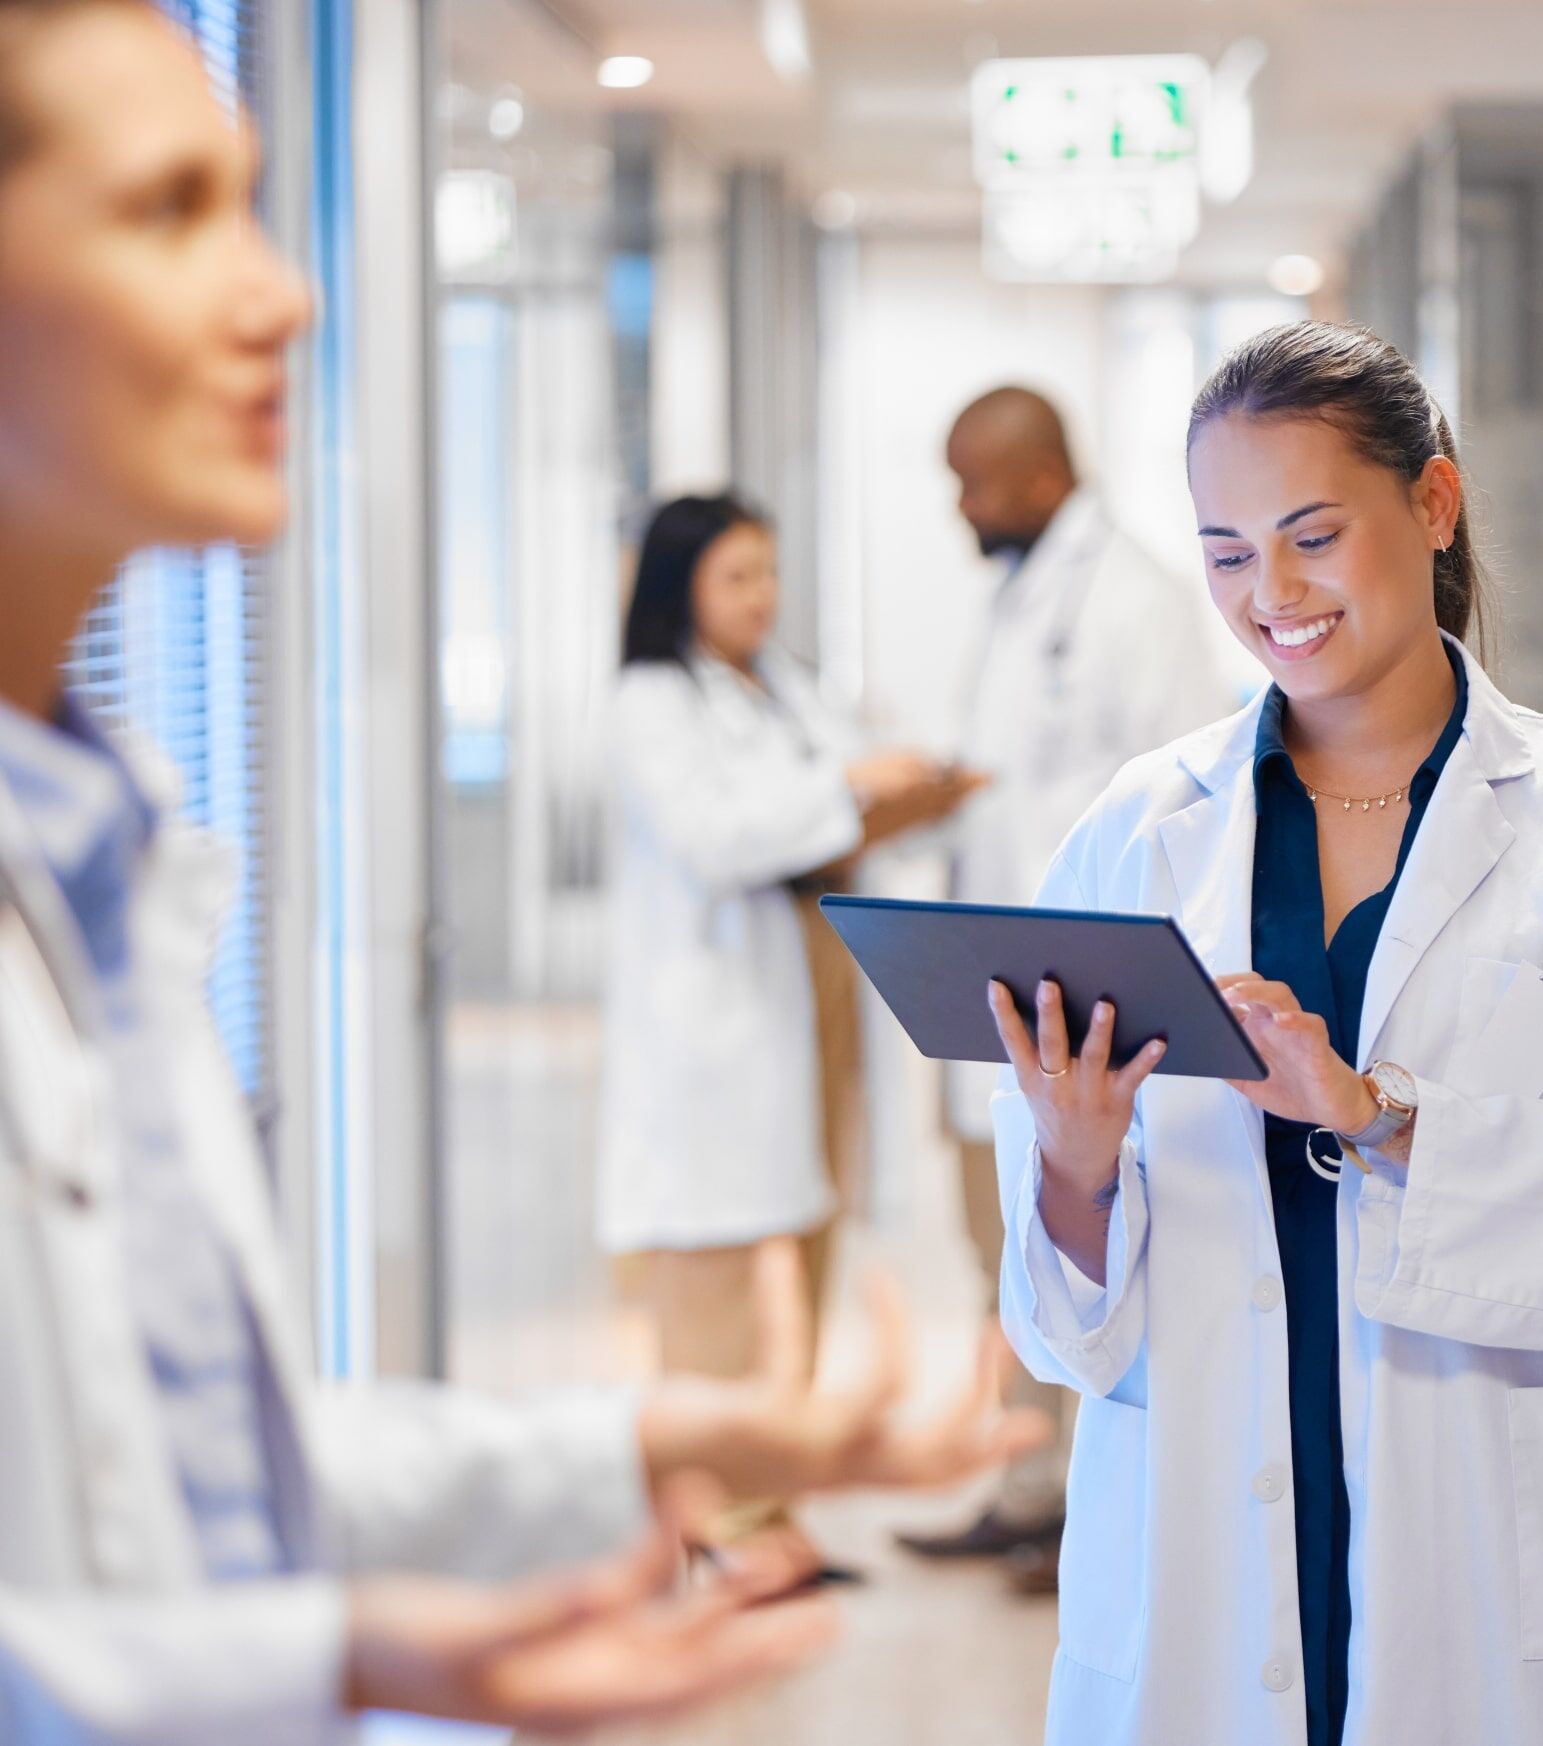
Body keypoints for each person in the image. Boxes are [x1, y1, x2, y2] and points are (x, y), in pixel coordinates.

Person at [0, 4, 1042, 1736]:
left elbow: (177, 1457)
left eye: (253, 205)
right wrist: (328, 1658)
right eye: (168, 210)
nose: (283, 293)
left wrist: (649, 1448)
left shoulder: (93, 868)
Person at [982, 321, 1543, 1746]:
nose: (1270, 593)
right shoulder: (1137, 830)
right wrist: (1077, 1168)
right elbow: (1063, 1329)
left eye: (1312, 534)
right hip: (1201, 1566)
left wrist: (1383, 1112)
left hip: (1501, 1567)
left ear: (1435, 504)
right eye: (1225, 552)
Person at [900, 385, 1247, 1586]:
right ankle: (1026, 1482)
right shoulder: (1021, 590)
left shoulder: (1135, 599)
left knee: (1094, 1258)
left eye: (973, 481)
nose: (961, 507)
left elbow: (1186, 806)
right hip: (1006, 986)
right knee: (1003, 1247)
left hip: (1094, 1004)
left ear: (1040, 475)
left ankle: (1080, 1508)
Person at [599, 492, 977, 1387]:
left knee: (810, 1230)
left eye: (767, 572)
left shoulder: (784, 684)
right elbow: (714, 837)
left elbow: (839, 801)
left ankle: (773, 1500)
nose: (760, 595)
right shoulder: (650, 700)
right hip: (722, 999)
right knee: (719, 1256)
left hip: (816, 977)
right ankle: (721, 1514)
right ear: (677, 586)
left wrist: (917, 793)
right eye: (734, 576)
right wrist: (851, 786)